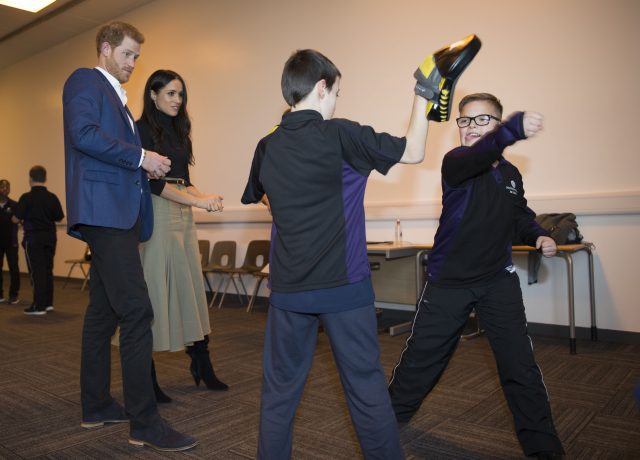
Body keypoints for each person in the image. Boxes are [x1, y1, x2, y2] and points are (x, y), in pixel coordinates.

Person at [241, 36, 480, 460]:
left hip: (288, 289)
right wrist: (423, 95)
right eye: (336, 92)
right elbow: (413, 150)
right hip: (343, 286)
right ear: (321, 87)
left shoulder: (267, 144)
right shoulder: (341, 135)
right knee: (366, 389)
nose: (335, 101)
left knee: (279, 393)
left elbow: (264, 198)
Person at [388, 93, 565, 460]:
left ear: (496, 124)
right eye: (465, 120)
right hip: (448, 282)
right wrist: (513, 129)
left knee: (521, 367)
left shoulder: (511, 174)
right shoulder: (458, 163)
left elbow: (519, 216)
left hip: (497, 281)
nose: (471, 127)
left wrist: (539, 235)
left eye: (483, 120)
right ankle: (386, 422)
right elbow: (480, 154)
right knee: (422, 362)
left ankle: (544, 447)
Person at [62, 21, 196, 451]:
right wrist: (141, 156)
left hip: (116, 214)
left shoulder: (116, 99)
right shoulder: (85, 80)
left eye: (137, 57)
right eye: (127, 55)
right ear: (105, 49)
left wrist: (145, 163)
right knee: (138, 312)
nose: (133, 64)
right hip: (105, 212)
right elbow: (82, 134)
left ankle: (96, 404)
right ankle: (145, 423)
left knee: (103, 313)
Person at [136, 69, 228, 402]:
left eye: (181, 94)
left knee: (191, 286)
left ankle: (201, 361)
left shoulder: (180, 130)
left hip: (183, 212)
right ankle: (145, 376)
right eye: (171, 93)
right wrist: (196, 201)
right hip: (158, 212)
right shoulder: (141, 129)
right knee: (157, 291)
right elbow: (155, 184)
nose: (177, 100)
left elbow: (183, 180)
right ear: (153, 94)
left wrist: (205, 198)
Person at [12, 167, 64, 315]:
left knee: (36, 272)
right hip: (50, 238)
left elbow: (16, 218)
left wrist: (19, 219)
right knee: (47, 270)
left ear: (30, 179)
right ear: (45, 178)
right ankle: (48, 303)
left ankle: (38, 306)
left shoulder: (26, 198)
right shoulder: (52, 197)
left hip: (33, 239)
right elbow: (59, 217)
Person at [0, 179, 20, 305]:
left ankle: (13, 294)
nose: (5, 189)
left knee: (14, 268)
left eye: (7, 187)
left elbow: (19, 220)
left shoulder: (14, 205)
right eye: (2, 187)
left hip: (11, 242)